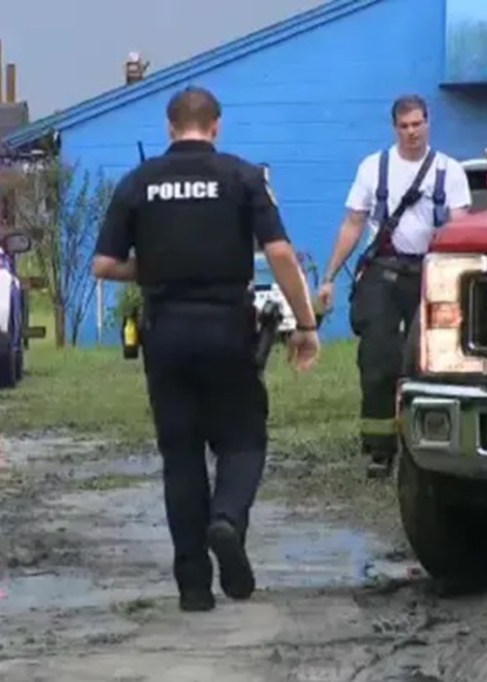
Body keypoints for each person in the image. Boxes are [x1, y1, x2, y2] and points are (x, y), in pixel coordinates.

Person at [91, 85, 320, 612]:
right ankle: (227, 520)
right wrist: (304, 323)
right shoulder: (242, 177)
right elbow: (281, 253)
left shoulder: (138, 182)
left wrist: (154, 268)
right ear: (215, 127)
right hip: (226, 328)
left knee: (181, 457)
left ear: (170, 127)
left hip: (165, 332)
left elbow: (103, 266)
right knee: (243, 440)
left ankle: (193, 587)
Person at [316, 95, 471, 479]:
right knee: (378, 360)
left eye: (417, 124)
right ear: (395, 128)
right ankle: (379, 449)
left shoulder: (448, 171)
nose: (412, 132)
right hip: (383, 273)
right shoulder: (374, 168)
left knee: (434, 360)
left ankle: (434, 440)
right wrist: (329, 277)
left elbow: (461, 227)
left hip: (430, 275)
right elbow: (353, 224)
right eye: (404, 126)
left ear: (428, 123)